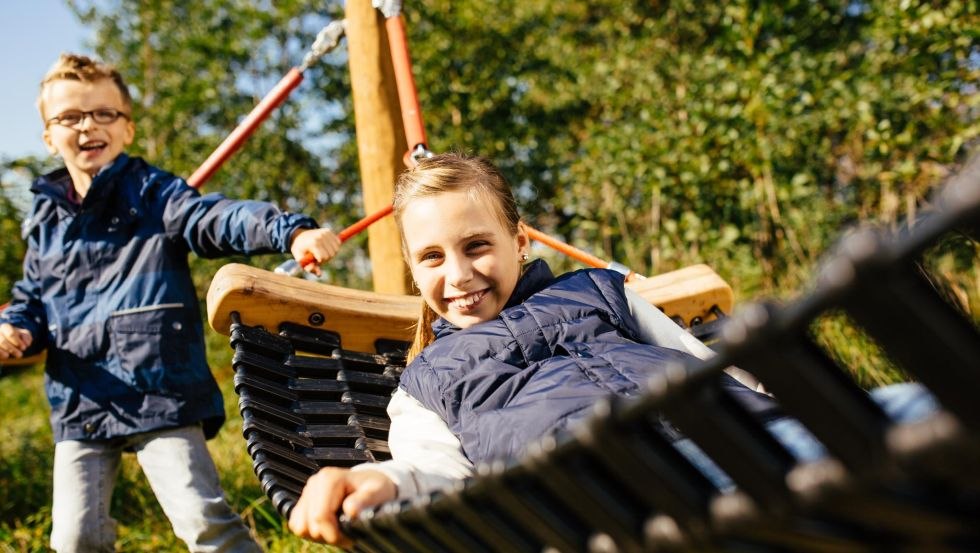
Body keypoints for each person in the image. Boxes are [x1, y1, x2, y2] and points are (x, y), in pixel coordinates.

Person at [286, 153, 937, 547]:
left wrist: (785, 393)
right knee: (894, 443)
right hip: (621, 493)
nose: (457, 274)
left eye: (476, 245)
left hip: (747, 430)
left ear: (520, 242)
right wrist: (380, 479)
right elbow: (439, 475)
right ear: (410, 266)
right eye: (432, 256)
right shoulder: (428, 381)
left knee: (914, 405)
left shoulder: (600, 292)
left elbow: (706, 359)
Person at [0, 53, 342, 552]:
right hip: (82, 398)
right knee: (74, 538)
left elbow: (217, 218)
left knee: (201, 521)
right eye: (69, 117)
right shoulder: (45, 221)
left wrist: (289, 230)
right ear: (50, 137)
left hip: (157, 388)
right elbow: (32, 295)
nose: (87, 126)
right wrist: (17, 326)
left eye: (103, 114)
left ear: (127, 129)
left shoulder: (155, 195)